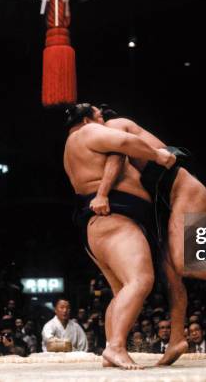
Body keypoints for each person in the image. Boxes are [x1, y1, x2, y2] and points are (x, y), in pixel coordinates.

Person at [91, 104, 206, 365]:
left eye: (92, 116)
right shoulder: (109, 135)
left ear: (101, 117)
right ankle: (177, 339)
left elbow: (118, 154)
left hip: (187, 192)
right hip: (170, 202)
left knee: (183, 262)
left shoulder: (115, 126)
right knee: (170, 272)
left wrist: (102, 193)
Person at [63, 103, 175, 369]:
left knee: (122, 290)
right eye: (100, 116)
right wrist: (158, 156)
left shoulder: (74, 145)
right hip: (113, 218)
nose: (105, 120)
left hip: (101, 223)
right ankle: (115, 346)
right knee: (141, 280)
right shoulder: (87, 132)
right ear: (88, 119)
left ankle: (111, 349)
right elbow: (125, 141)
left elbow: (117, 152)